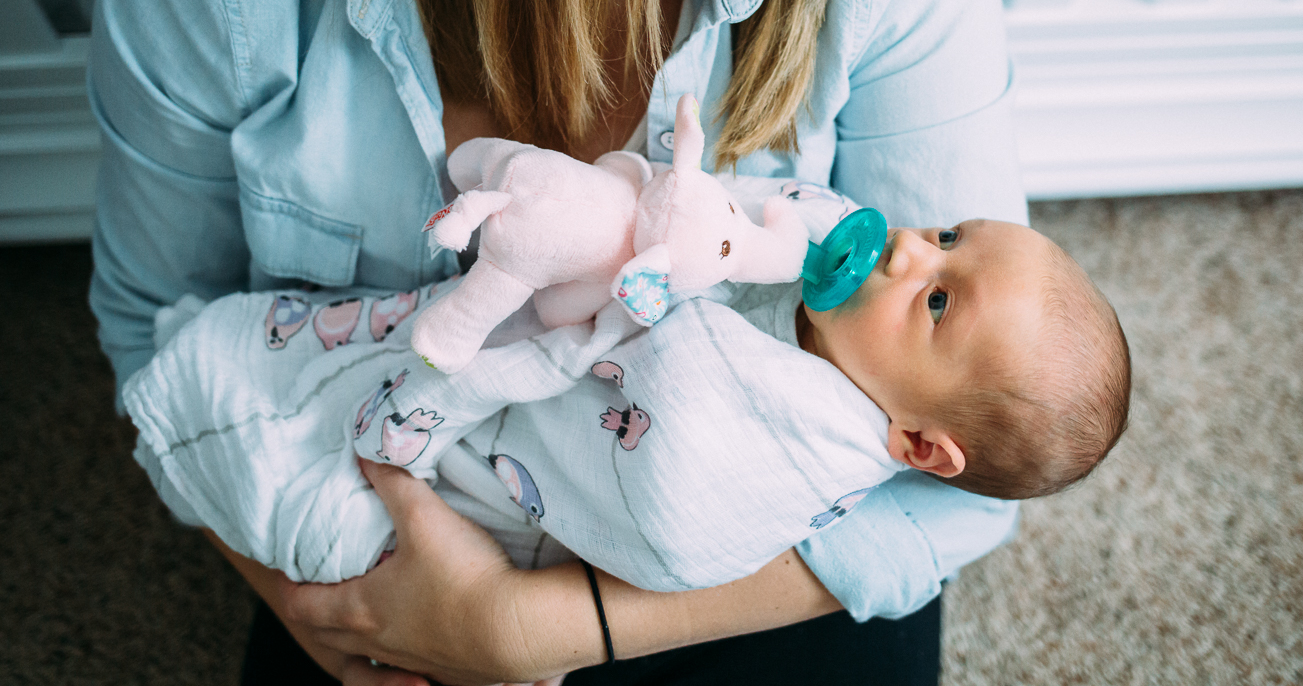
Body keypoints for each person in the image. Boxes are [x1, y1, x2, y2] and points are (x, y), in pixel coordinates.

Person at [88, 0, 1026, 682]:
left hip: (750, 549)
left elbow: (976, 453)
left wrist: (537, 629)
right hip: (395, 526)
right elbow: (156, 330)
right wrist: (326, 603)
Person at [126, 198, 1130, 591]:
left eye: (940, 297)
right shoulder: (854, 336)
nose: (909, 245)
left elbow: (672, 457)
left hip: (510, 499)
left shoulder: (776, 431)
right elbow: (743, 225)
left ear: (917, 444)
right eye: (949, 233)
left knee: (318, 473)